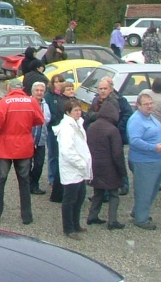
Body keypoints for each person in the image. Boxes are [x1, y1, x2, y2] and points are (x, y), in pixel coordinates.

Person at [0, 81, 45, 225]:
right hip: (24, 147)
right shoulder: (31, 102)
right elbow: (40, 120)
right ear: (23, 88)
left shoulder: (4, 103)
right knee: (24, 182)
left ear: (9, 88)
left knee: (0, 181)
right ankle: (26, 216)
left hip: (5, 147)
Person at [127, 94, 161, 230]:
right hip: (145, 161)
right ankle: (141, 219)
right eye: (146, 104)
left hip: (156, 160)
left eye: (151, 103)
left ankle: (139, 212)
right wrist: (153, 147)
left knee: (152, 189)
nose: (150, 106)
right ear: (138, 106)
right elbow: (134, 140)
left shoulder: (150, 117)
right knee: (144, 190)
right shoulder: (136, 120)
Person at [84, 76, 132, 195]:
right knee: (102, 163)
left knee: (117, 158)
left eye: (105, 88)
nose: (102, 91)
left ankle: (123, 184)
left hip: (114, 134)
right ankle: (102, 191)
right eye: (100, 88)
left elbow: (125, 116)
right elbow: (89, 115)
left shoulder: (117, 101)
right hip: (98, 136)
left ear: (111, 89)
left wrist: (118, 129)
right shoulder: (96, 100)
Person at [86, 101, 127, 230]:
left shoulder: (92, 127)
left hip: (94, 165)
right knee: (114, 194)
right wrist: (122, 172)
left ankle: (92, 216)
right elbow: (117, 154)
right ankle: (112, 221)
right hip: (110, 167)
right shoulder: (112, 130)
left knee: (98, 191)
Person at [56, 99, 92, 239]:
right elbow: (67, 151)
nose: (79, 112)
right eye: (75, 110)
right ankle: (68, 228)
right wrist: (80, 163)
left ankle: (76, 224)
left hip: (79, 169)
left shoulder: (78, 124)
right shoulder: (66, 128)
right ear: (67, 113)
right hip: (72, 168)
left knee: (80, 197)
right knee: (70, 199)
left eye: (79, 110)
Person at [29, 82, 51, 195]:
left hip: (41, 140)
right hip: (28, 140)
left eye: (41, 91)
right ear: (32, 92)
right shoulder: (27, 103)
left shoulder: (45, 105)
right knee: (27, 164)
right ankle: (27, 184)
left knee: (39, 164)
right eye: (37, 90)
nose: (39, 92)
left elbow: (46, 119)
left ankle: (34, 184)